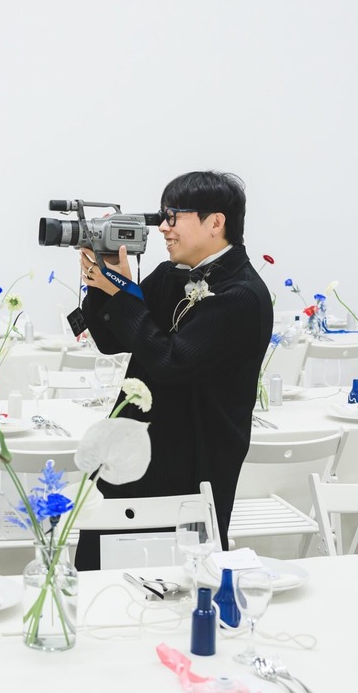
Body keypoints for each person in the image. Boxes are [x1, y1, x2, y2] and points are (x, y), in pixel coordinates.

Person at [75, 171, 272, 571]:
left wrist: (123, 294)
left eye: (173, 217)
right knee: (99, 569)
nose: (163, 228)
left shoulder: (242, 295)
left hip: (191, 461)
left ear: (215, 222)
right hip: (131, 449)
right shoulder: (171, 274)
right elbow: (112, 339)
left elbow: (170, 361)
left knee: (176, 577)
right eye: (162, 217)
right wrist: (102, 280)